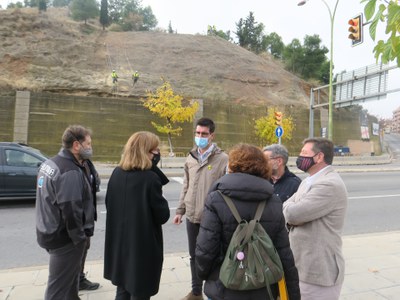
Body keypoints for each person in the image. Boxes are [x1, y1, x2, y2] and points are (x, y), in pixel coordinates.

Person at [195, 143, 300, 300]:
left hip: (223, 286)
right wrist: (293, 293)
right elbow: (283, 251)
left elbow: (206, 248)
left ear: (232, 166)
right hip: (263, 287)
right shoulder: (273, 201)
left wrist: (205, 275)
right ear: (263, 168)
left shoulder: (216, 199)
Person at [104, 131, 170, 300]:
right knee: (140, 292)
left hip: (120, 245)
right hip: (142, 248)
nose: (157, 154)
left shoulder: (116, 174)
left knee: (123, 288)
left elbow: (109, 204)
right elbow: (162, 216)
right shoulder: (150, 179)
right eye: (154, 150)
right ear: (144, 152)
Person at [283, 137, 348, 300]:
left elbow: (293, 214)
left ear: (319, 157)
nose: (299, 157)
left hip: (317, 271)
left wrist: (290, 211)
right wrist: (290, 210)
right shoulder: (308, 181)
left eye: (304, 153)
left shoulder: (329, 184)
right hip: (303, 266)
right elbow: (287, 206)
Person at [36, 125, 96, 300]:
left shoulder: (50, 163)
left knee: (70, 284)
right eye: (89, 144)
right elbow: (71, 209)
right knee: (58, 289)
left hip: (48, 230)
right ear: (76, 145)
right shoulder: (69, 171)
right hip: (65, 239)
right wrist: (79, 238)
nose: (91, 148)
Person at [173, 117, 228, 300]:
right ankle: (196, 292)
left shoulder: (223, 159)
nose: (200, 136)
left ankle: (213, 292)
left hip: (211, 218)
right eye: (197, 133)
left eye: (204, 134)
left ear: (212, 135)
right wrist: (180, 210)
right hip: (191, 216)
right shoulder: (191, 157)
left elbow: (225, 189)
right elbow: (186, 186)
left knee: (212, 256)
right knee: (194, 256)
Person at [78, 159, 101, 291]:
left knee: (85, 247)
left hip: (87, 215)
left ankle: (79, 279)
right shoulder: (70, 166)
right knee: (76, 250)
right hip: (77, 218)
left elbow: (93, 181)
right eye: (87, 143)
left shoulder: (86, 163)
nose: (89, 147)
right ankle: (72, 282)